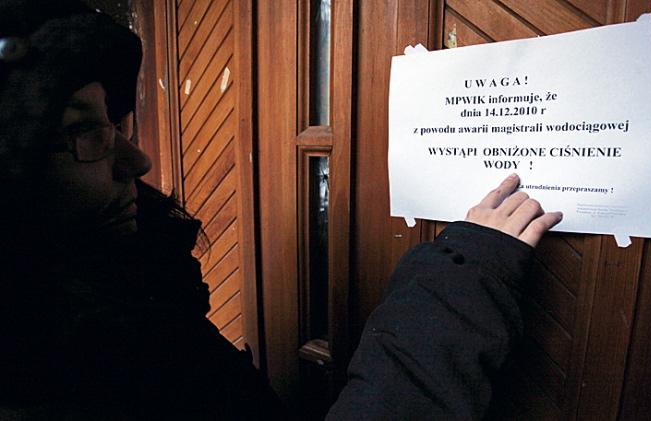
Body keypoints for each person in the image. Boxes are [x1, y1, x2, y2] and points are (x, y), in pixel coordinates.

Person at [0, 1, 561, 420]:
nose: (138, 160)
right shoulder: (43, 379)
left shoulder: (117, 288)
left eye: (113, 123)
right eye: (83, 132)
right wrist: (462, 279)